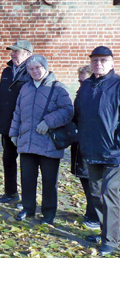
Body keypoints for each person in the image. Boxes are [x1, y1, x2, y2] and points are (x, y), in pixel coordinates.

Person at [9, 55, 73, 225]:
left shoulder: (58, 88)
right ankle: (28, 208)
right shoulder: (25, 88)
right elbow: (18, 112)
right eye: (31, 69)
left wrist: (48, 122)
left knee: (49, 181)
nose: (35, 71)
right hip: (27, 141)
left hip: (48, 143)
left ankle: (48, 213)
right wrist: (14, 133)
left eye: (38, 67)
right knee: (27, 178)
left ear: (45, 67)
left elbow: (68, 111)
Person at [74, 46, 120, 256]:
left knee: (109, 193)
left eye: (103, 60)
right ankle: (105, 232)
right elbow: (78, 115)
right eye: (94, 60)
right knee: (94, 194)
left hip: (114, 152)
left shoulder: (118, 84)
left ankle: (111, 240)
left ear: (112, 62)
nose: (98, 64)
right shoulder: (86, 86)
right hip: (91, 150)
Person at [0, 40, 33, 204]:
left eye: (17, 51)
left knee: (27, 162)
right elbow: (0, 97)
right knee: (8, 158)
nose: (12, 54)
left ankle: (28, 198)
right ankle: (11, 192)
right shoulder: (7, 71)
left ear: (28, 54)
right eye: (12, 51)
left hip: (25, 125)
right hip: (8, 125)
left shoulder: (32, 71)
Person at [70, 65, 99, 230]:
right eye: (79, 82)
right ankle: (90, 212)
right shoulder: (80, 95)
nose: (81, 85)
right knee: (85, 179)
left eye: (84, 81)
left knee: (92, 183)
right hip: (79, 144)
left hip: (91, 146)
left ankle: (94, 217)